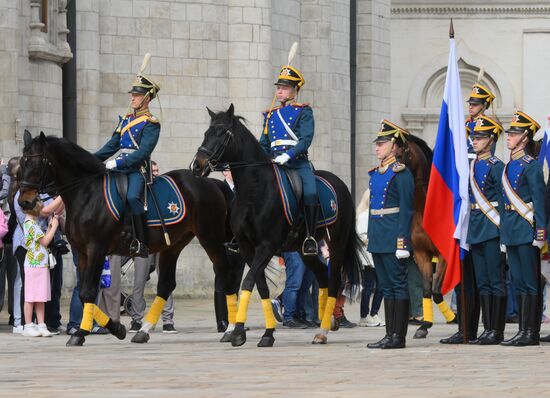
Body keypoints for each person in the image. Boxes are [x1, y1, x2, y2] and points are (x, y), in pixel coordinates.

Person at [95, 63, 161, 258]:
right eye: (132, 94)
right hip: (119, 167)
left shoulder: (151, 123)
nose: (132, 97)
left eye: (137, 95)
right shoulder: (125, 120)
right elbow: (112, 145)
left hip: (137, 169)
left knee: (132, 197)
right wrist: (89, 159)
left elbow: (143, 152)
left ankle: (142, 242)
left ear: (147, 98)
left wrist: (118, 163)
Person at [259, 63, 319, 256]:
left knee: (310, 192)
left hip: (297, 162)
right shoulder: (270, 114)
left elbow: (305, 139)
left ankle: (310, 237)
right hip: (275, 163)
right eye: (278, 87)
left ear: (295, 91)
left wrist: (289, 155)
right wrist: (266, 158)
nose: (279, 91)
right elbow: (264, 143)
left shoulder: (303, 111)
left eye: (284, 88)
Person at [366, 120, 414, 349]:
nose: (377, 147)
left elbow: (406, 210)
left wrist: (402, 242)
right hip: (378, 236)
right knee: (385, 286)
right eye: (377, 144)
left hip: (394, 235)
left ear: (394, 146)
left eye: (382, 144)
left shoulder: (401, 174)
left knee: (398, 284)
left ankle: (399, 336)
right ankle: (389, 334)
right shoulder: (375, 174)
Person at [500, 111, 545, 347]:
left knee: (529, 282)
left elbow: (539, 200)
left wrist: (540, 232)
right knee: (517, 280)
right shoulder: (509, 167)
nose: (508, 137)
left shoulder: (531, 166)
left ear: (525, 138)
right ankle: (522, 330)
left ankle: (530, 332)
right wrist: (504, 235)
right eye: (509, 133)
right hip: (512, 231)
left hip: (527, 230)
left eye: (514, 134)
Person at [466, 116, 506, 345]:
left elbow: (502, 198)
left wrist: (504, 233)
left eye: (479, 138)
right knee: (482, 281)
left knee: (495, 280)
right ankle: (487, 328)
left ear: (490, 140)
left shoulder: (496, 166)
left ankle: (496, 330)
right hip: (476, 228)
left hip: (492, 228)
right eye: (474, 137)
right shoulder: (473, 166)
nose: (474, 141)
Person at [128, 161, 178, 334]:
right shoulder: (139, 192)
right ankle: (136, 319)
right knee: (139, 281)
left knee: (165, 278)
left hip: (162, 242)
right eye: (153, 171)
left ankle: (168, 319)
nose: (155, 174)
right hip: (146, 242)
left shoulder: (163, 191)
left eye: (157, 171)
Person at [21, 201, 59, 337]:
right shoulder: (30, 224)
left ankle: (41, 324)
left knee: (40, 296)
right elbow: (45, 241)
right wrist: (54, 227)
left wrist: (49, 228)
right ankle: (28, 324)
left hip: (40, 264)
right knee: (31, 297)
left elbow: (43, 239)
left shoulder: (33, 224)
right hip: (33, 265)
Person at [355, 189, 384, 327]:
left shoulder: (376, 214)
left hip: (378, 253)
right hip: (368, 256)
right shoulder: (363, 215)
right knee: (369, 286)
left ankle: (374, 314)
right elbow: (361, 236)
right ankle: (364, 315)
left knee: (381, 286)